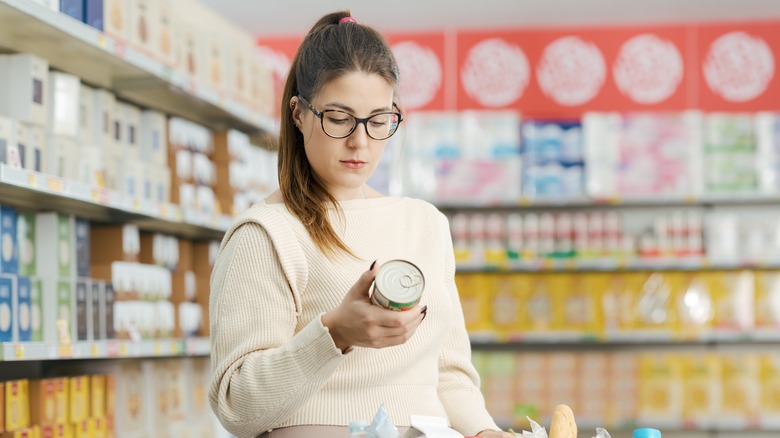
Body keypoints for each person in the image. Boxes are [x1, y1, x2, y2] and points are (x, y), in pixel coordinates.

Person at [208, 10, 515, 438]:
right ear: (298, 114)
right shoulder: (267, 233)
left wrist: (485, 431)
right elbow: (236, 406)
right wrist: (334, 334)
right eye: (339, 118)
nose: (361, 141)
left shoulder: (424, 223)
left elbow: (448, 374)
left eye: (378, 120)